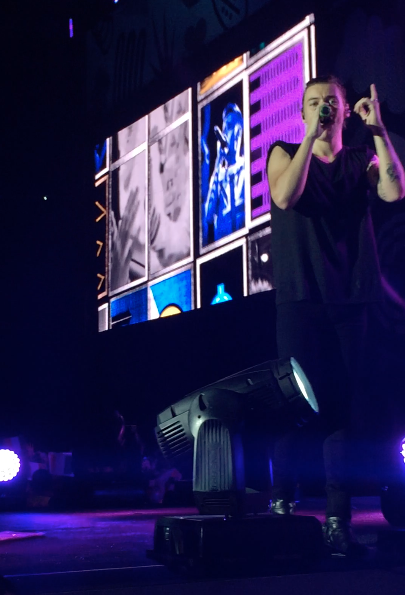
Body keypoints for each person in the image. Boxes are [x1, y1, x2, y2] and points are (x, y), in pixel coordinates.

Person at [266, 75, 405, 555]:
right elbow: (285, 197)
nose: (323, 108)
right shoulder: (283, 152)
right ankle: (281, 500)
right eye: (314, 102)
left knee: (345, 410)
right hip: (301, 300)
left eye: (331, 102)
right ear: (303, 112)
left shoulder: (360, 159)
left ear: (347, 111)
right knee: (299, 407)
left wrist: (380, 131)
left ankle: (336, 519)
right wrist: (310, 139)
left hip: (352, 300)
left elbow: (394, 192)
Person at [203, 103, 245, 243]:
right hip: (223, 249)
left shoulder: (246, 168)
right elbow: (208, 216)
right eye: (224, 128)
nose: (225, 133)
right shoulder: (219, 175)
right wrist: (218, 163)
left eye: (229, 127)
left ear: (239, 132)